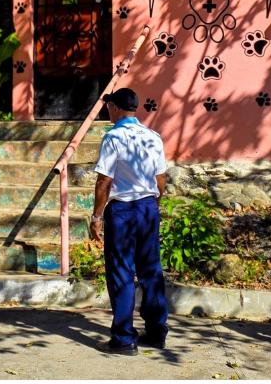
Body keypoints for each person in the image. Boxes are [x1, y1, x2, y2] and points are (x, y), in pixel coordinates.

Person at [90, 87, 169, 355]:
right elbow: (161, 179)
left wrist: (96, 216)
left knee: (122, 272)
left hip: (122, 211)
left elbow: (104, 180)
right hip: (148, 208)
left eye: (108, 107)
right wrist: (153, 205)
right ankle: (157, 332)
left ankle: (124, 339)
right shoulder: (153, 137)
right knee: (151, 270)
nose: (107, 111)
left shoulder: (113, 137)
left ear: (114, 107)